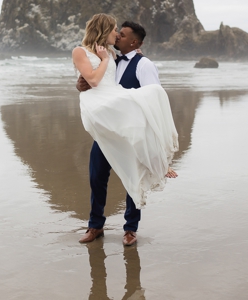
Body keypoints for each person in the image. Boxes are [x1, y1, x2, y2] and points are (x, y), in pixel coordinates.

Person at [72, 14, 179, 246]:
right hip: (107, 127)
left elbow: (152, 101)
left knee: (133, 173)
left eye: (122, 34)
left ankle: (130, 229)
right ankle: (95, 226)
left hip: (130, 129)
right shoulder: (110, 56)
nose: (117, 35)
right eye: (116, 32)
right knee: (97, 176)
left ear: (135, 43)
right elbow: (90, 78)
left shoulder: (144, 64)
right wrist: (80, 84)